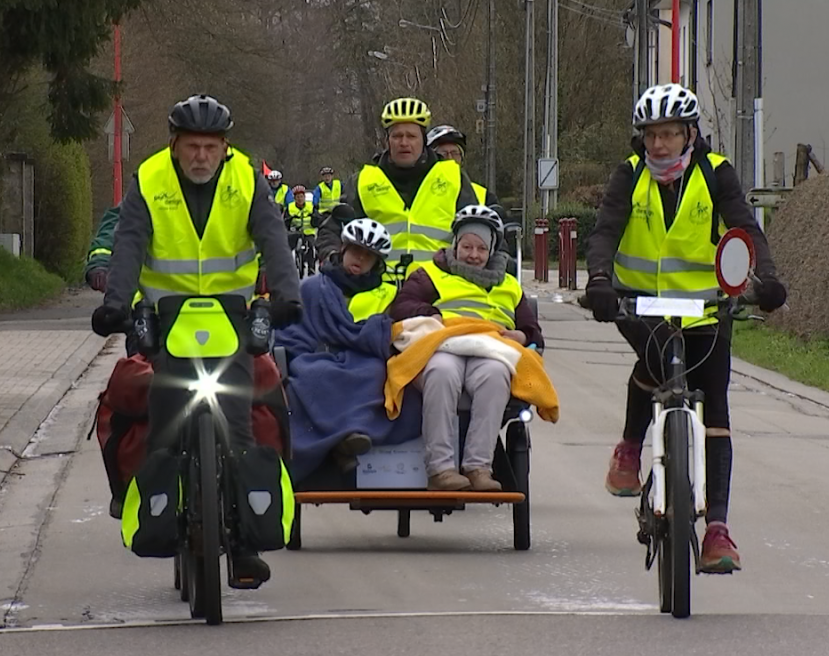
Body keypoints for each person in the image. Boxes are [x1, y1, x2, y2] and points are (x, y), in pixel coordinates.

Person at [91, 94, 303, 587]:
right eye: (192, 147)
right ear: (175, 146)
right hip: (167, 322)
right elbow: (129, 245)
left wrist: (287, 296)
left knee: (240, 423)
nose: (201, 157)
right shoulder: (150, 179)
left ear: (225, 147)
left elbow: (273, 240)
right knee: (165, 416)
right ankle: (163, 513)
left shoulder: (245, 178)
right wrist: (116, 304)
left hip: (230, 320)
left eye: (211, 146)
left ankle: (245, 544)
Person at [582, 83, 788, 575]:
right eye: (652, 134)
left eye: (669, 133)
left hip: (704, 307)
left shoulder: (716, 175)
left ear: (689, 134)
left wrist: (768, 278)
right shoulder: (628, 176)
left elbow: (744, 229)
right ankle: (631, 447)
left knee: (714, 402)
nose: (659, 144)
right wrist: (598, 280)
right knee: (655, 358)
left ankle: (717, 529)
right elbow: (606, 230)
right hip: (640, 304)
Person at [388, 205, 544, 492]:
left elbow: (532, 330)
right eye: (467, 246)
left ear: (492, 251)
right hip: (442, 346)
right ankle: (441, 469)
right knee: (443, 372)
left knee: (497, 376)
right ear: (455, 244)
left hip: (491, 351)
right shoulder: (430, 274)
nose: (473, 255)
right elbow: (401, 305)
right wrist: (429, 312)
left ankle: (478, 467)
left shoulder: (509, 285)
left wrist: (520, 336)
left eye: (481, 249)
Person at [276, 219, 421, 479]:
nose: (360, 259)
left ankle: (347, 440)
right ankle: (346, 440)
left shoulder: (389, 294)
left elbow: (392, 335)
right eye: (356, 251)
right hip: (317, 357)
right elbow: (293, 334)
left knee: (377, 373)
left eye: (368, 256)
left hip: (367, 359)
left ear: (377, 262)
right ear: (343, 249)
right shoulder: (311, 287)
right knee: (314, 374)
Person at [315, 97, 478, 280]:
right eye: (397, 136)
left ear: (423, 141)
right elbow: (332, 229)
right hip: (378, 289)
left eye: (411, 136)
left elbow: (479, 230)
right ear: (387, 141)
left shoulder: (453, 177)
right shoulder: (364, 181)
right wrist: (334, 257)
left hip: (440, 288)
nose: (404, 143)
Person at [426, 124, 499, 206]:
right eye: (443, 153)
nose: (450, 158)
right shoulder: (420, 192)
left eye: (455, 153)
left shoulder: (483, 196)